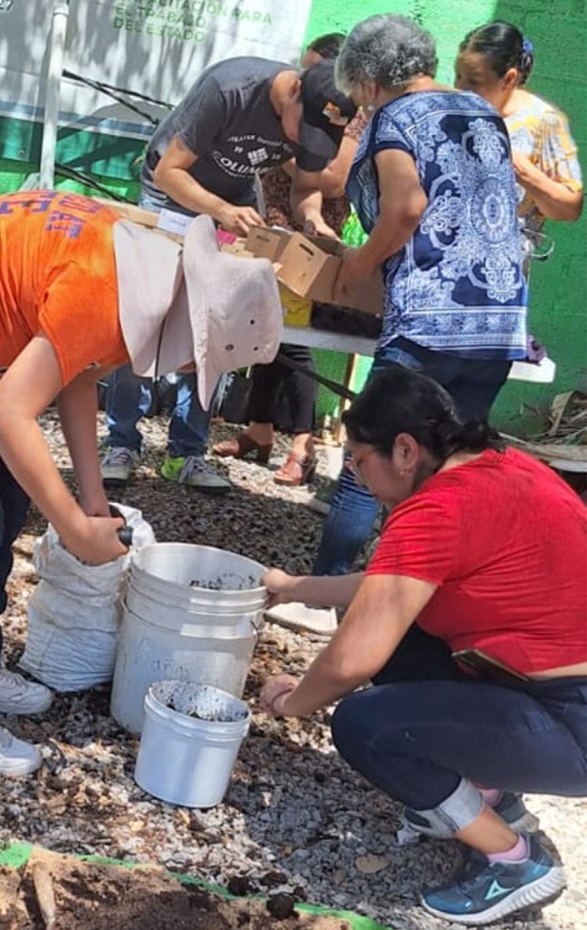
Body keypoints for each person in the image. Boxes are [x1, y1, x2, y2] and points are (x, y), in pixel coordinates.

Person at [0, 190, 280, 776]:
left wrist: (91, 500)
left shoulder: (146, 275)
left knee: (7, 509)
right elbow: (7, 414)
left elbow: (76, 377)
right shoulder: (104, 291)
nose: (187, 370)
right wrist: (73, 529)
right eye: (196, 361)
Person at [260, 367, 586, 925]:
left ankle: (514, 860)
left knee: (364, 726)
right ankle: (486, 792)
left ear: (405, 450)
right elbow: (391, 589)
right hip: (547, 689)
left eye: (361, 461)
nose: (359, 477)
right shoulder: (496, 468)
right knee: (404, 632)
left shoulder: (434, 510)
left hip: (570, 721)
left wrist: (294, 702)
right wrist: (293, 587)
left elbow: (353, 660)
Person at [311, 14, 528, 576]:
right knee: (453, 467)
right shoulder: (484, 111)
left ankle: (328, 584)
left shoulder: (396, 119)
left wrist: (358, 265)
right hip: (499, 320)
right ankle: (423, 585)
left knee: (374, 455)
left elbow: (406, 209)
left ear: (370, 79)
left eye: (357, 90)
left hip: (430, 322)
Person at [99, 57, 357, 494]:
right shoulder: (230, 88)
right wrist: (219, 210)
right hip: (171, 194)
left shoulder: (315, 116)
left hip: (232, 203)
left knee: (213, 326)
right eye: (303, 129)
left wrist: (313, 221)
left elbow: (306, 187)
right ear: (294, 88)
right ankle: (121, 441)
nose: (299, 141)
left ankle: (186, 451)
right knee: (148, 317)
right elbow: (169, 170)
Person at [214, 32, 363, 486]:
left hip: (308, 233)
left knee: (294, 338)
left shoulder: (350, 117)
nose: (300, 82)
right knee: (264, 329)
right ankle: (259, 429)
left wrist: (277, 146)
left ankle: (302, 443)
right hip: (269, 222)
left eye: (314, 72)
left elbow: (333, 179)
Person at [455, 21, 582, 242]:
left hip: (499, 268)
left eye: (475, 81)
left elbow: (569, 208)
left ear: (510, 79)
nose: (461, 89)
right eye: (458, 76)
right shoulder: (451, 112)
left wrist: (524, 172)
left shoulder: (544, 122)